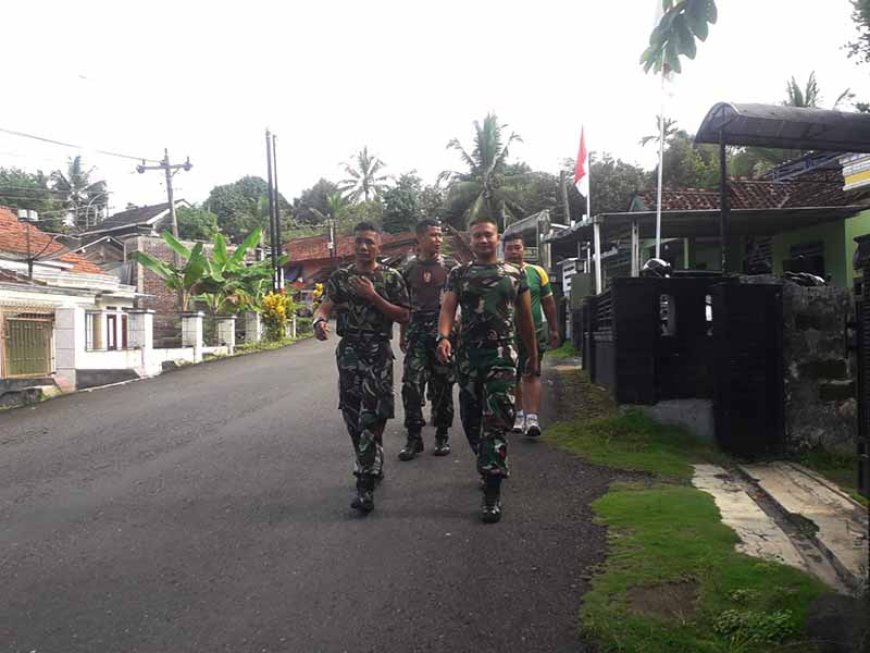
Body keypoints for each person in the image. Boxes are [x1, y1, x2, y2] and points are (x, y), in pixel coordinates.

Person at [436, 216, 538, 523]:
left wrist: (533, 356)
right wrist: (443, 336)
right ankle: (486, 459)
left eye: (488, 235)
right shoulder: (460, 273)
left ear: (497, 239)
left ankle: (492, 489)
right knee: (470, 418)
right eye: (477, 236)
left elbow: (525, 319)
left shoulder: (516, 273)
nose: (482, 240)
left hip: (502, 356)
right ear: (470, 239)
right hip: (468, 357)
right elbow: (448, 308)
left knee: (496, 420)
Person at [312, 222, 410, 514]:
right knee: (353, 416)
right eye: (359, 242)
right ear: (352, 246)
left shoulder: (391, 278)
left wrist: (373, 297)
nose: (364, 247)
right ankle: (372, 459)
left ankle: (364, 484)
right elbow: (327, 305)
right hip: (350, 352)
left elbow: (404, 314)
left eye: (370, 242)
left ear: (379, 246)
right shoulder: (341, 278)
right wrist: (318, 320)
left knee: (372, 416)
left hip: (377, 351)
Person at [398, 219, 459, 460]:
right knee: (411, 385)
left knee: (443, 385)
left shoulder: (452, 267)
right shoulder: (408, 269)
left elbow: (460, 301)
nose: (438, 239)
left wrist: (455, 331)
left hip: (442, 334)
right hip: (416, 334)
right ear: (420, 238)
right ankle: (414, 438)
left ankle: (442, 435)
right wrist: (403, 333)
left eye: (440, 235)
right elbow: (403, 304)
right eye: (433, 235)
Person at [503, 234, 560, 438]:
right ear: (503, 250)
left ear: (523, 249)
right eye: (509, 248)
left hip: (534, 331)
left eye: (517, 248)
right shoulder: (498, 273)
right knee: (512, 375)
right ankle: (518, 414)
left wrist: (554, 329)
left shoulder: (537, 272)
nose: (513, 252)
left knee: (532, 372)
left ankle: (532, 417)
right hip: (507, 333)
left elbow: (549, 303)